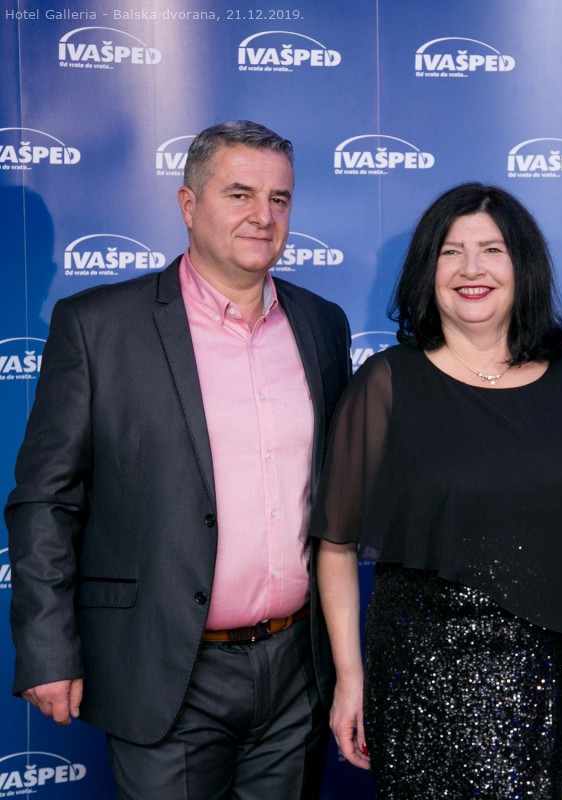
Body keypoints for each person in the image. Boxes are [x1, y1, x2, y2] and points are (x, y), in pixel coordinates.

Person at [6, 120, 351, 797]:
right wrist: (47, 647)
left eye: (279, 198)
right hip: (163, 666)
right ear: (188, 205)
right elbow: (46, 500)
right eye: (240, 194)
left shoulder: (321, 324)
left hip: (296, 670)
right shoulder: (99, 326)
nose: (263, 216)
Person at [312, 182, 562, 799]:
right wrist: (351, 678)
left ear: (523, 266)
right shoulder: (386, 383)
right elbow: (336, 544)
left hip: (559, 685)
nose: (471, 269)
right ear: (427, 270)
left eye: (492, 250)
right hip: (421, 686)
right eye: (451, 252)